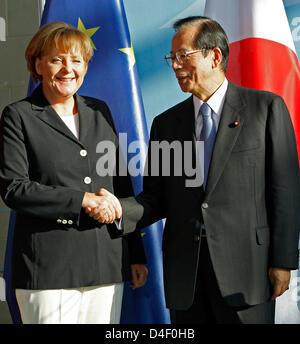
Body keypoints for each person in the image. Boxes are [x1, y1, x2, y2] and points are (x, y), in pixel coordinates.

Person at [89, 16, 300, 324]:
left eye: (182, 56)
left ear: (214, 56)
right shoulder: (166, 124)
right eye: (171, 58)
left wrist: (282, 261)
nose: (174, 65)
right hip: (186, 280)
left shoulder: (265, 109)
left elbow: (285, 190)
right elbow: (155, 198)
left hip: (247, 274)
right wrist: (117, 208)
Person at [0, 21, 148, 324]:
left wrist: (135, 254)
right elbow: (13, 189)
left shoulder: (100, 110)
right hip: (48, 268)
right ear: (37, 64)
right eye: (57, 59)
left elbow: (120, 184)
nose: (68, 69)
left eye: (76, 60)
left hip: (105, 263)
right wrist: (82, 200)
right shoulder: (18, 116)